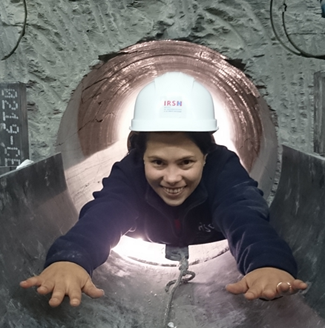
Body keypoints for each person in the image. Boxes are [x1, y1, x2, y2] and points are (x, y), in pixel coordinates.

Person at [20, 72, 307, 307]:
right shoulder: (130, 172)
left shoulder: (222, 169)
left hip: (208, 235)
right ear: (139, 155)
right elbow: (105, 212)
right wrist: (72, 259)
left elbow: (243, 215)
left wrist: (267, 263)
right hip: (151, 238)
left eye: (186, 162)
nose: (172, 177)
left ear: (206, 156)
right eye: (157, 162)